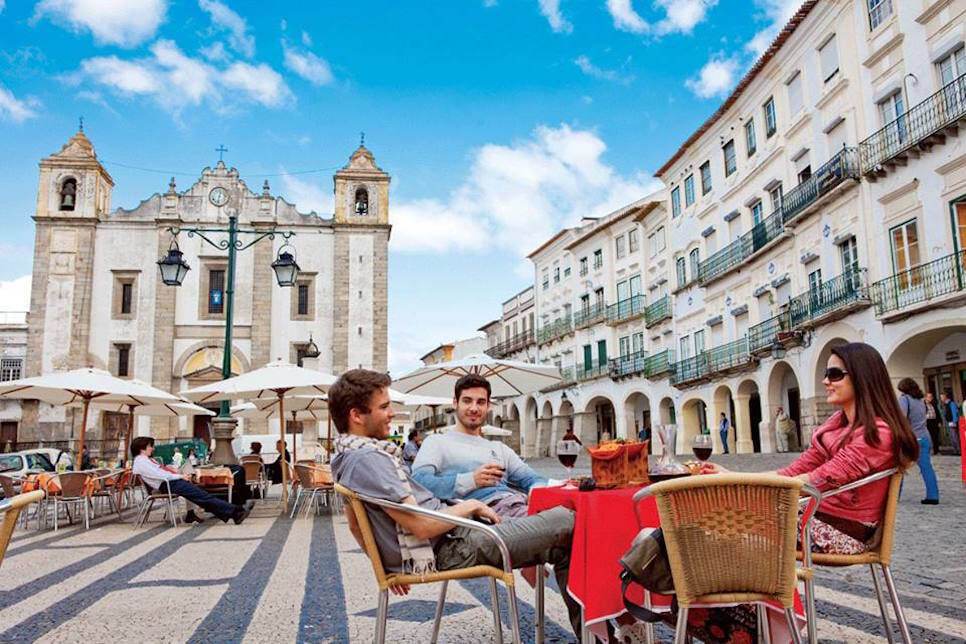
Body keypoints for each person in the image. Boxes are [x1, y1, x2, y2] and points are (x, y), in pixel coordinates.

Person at [329, 369, 581, 638]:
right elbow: (423, 526)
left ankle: (600, 636)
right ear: (356, 415)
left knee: (565, 546)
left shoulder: (350, 456)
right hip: (454, 544)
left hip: (457, 536)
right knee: (569, 520)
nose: (392, 413)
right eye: (384, 406)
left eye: (481, 402)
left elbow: (356, 525)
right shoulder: (369, 459)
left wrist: (383, 564)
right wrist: (471, 504)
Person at [412, 374, 555, 519]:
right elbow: (418, 482)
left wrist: (535, 490)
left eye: (480, 402)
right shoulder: (436, 442)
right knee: (567, 521)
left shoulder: (499, 448)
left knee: (571, 515)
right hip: (485, 519)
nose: (474, 408)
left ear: (488, 406)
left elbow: (533, 478)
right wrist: (472, 480)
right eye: (467, 401)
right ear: (455, 403)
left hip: (518, 506)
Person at [130, 436, 252, 525]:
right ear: (142, 448)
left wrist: (176, 472)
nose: (152, 448)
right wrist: (180, 476)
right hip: (167, 484)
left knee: (201, 496)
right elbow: (159, 475)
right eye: (150, 446)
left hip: (170, 483)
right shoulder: (141, 461)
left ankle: (234, 513)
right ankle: (236, 511)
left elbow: (161, 472)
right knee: (202, 496)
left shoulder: (146, 460)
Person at [897, 378, 939, 505]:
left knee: (899, 467)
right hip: (924, 437)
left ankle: (894, 495)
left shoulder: (904, 399)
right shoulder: (921, 401)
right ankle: (933, 496)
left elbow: (902, 418)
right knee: (927, 468)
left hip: (910, 438)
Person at [939, 390, 961, 455]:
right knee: (952, 437)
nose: (941, 399)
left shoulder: (951, 403)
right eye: (941, 397)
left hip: (952, 422)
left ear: (945, 397)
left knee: (955, 437)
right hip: (948, 422)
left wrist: (954, 421)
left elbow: (955, 413)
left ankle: (959, 450)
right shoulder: (944, 404)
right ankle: (955, 450)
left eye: (942, 397)